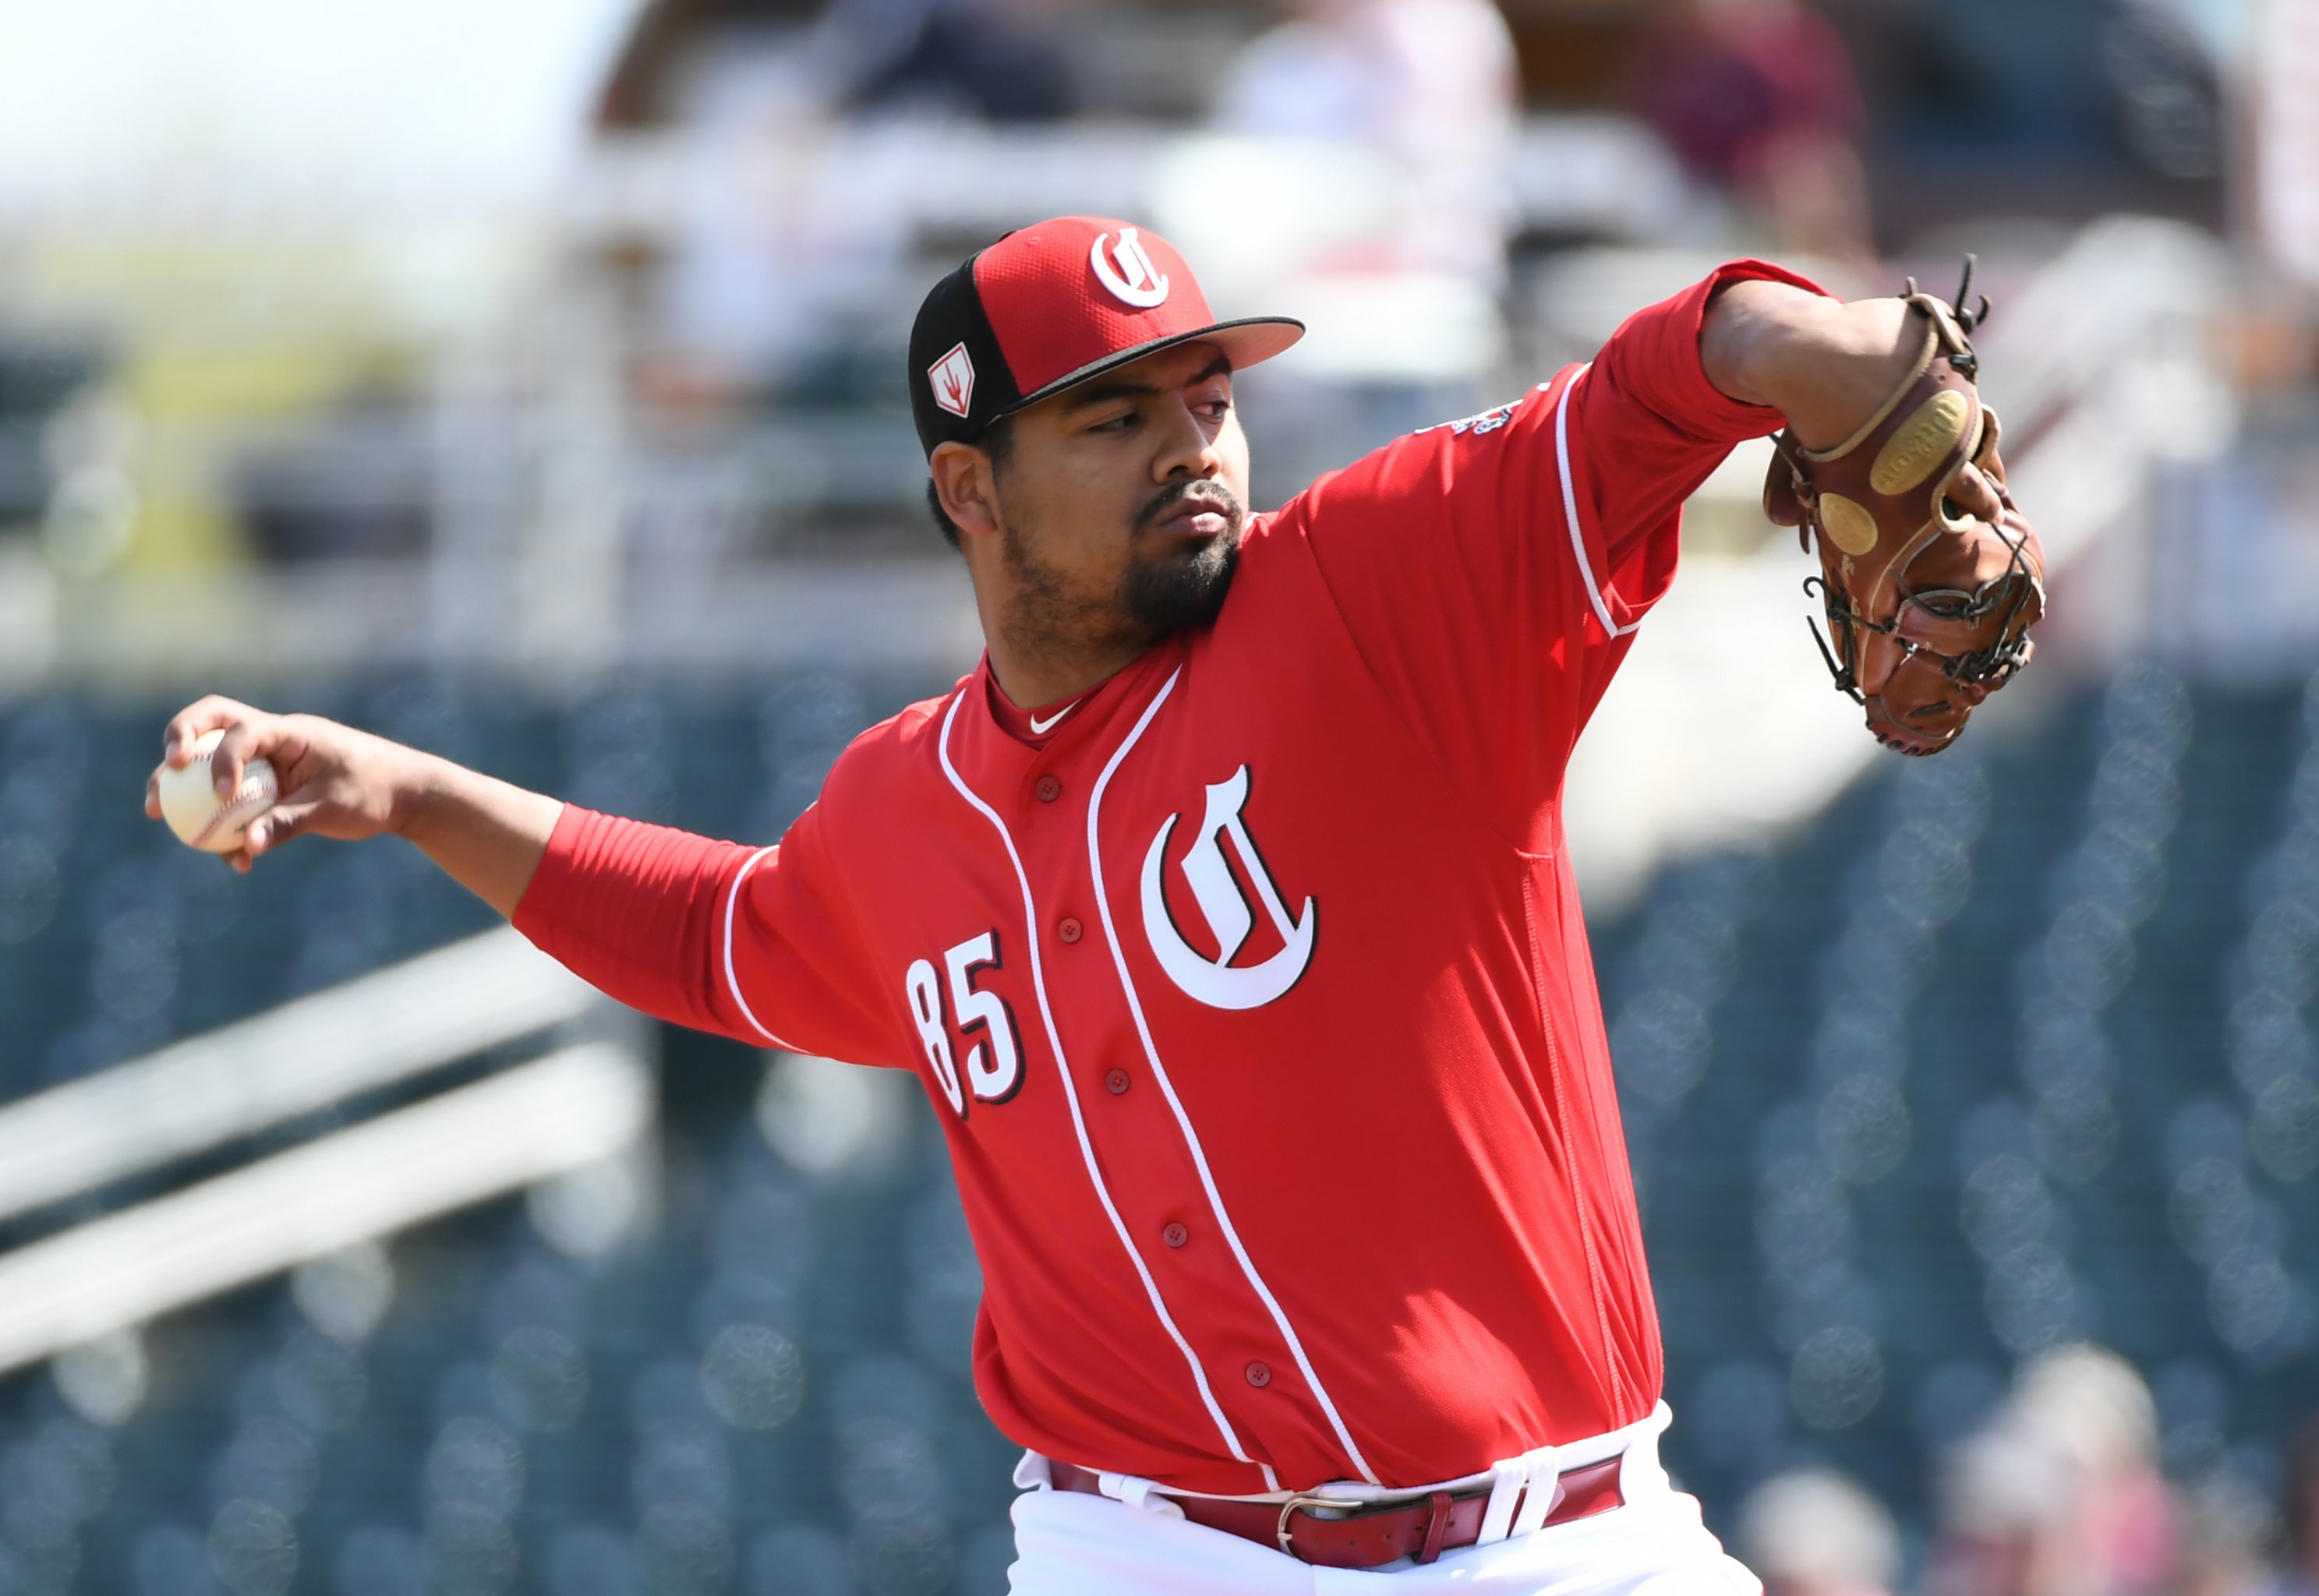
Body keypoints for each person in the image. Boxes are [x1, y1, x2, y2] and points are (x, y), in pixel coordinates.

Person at [149, 216, 1980, 1592]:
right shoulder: (901, 802)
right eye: (1115, 418)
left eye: (1210, 397)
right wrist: (407, 795)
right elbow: (720, 938)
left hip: (1553, 1533)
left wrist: (1777, 333)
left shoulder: (1374, 591)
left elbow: (1650, 393)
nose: (1196, 446)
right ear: (972, 487)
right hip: (1152, 1554)